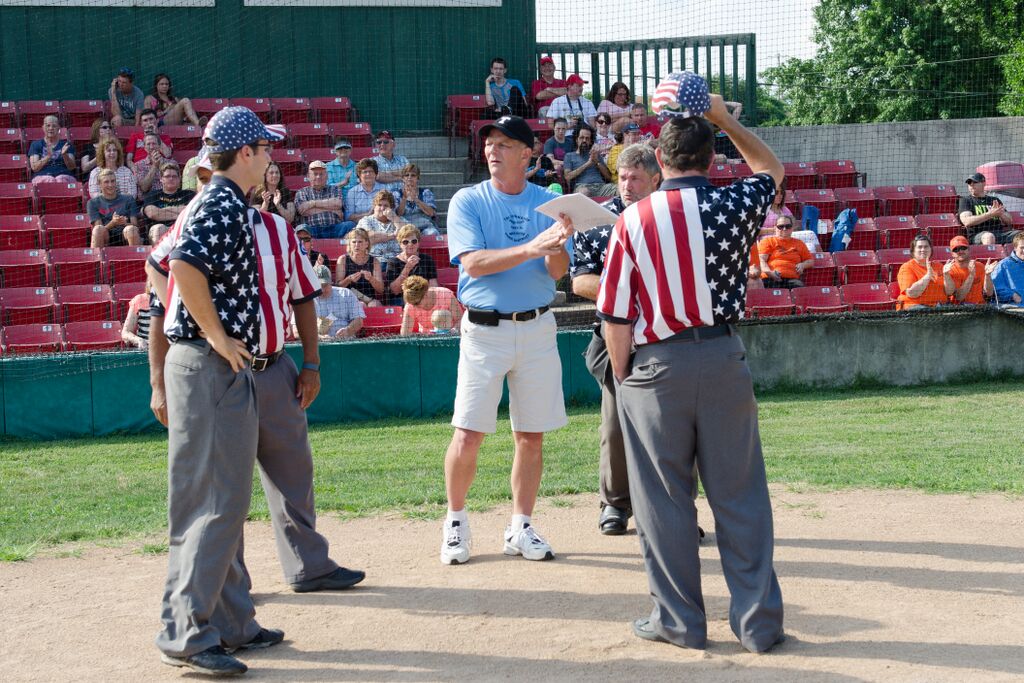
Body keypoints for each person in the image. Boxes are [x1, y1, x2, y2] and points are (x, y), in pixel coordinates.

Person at [597, 93, 785, 653]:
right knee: (741, 496)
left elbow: (616, 315)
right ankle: (758, 626)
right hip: (724, 357)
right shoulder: (735, 203)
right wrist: (725, 118)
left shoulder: (632, 218)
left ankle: (679, 622)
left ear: (660, 157)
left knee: (663, 501)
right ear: (710, 158)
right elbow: (770, 170)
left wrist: (629, 377)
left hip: (656, 367)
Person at [153, 106, 286, 677]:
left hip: (211, 367)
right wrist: (217, 336)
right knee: (212, 503)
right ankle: (186, 632)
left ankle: (233, 623)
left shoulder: (227, 200)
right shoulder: (222, 199)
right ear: (247, 152)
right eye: (265, 146)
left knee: (222, 502)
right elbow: (181, 267)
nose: (272, 155)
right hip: (208, 365)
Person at [440, 115, 573, 566]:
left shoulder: (549, 202)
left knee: (531, 437)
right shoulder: (468, 200)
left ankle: (521, 526)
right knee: (469, 433)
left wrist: (555, 249)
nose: (494, 150)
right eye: (490, 143)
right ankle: (456, 522)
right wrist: (535, 247)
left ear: (527, 154)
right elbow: (473, 264)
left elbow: (559, 274)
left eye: (505, 143)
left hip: (537, 327)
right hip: (484, 331)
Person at [570, 143, 660, 536]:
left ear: (656, 179)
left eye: (636, 177)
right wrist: (627, 291)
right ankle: (615, 505)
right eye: (622, 177)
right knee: (615, 426)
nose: (627, 184)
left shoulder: (671, 218)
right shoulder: (597, 221)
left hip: (664, 336)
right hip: (612, 337)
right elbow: (579, 281)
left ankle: (672, 510)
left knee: (669, 427)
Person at [295, 160, 352, 239]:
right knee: (302, 229)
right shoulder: (302, 191)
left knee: (350, 225)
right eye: (315, 174)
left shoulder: (334, 189)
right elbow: (302, 210)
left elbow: (338, 203)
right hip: (312, 230)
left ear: (327, 176)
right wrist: (333, 210)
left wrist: (312, 204)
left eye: (321, 174)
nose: (318, 177)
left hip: (334, 228)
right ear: (308, 176)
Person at [143, 163, 195, 245]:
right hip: (160, 230)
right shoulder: (153, 195)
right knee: (159, 229)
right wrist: (182, 214)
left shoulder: (189, 194)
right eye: (167, 176)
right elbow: (152, 213)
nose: (171, 179)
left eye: (174, 176)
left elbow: (193, 211)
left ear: (179, 179)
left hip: (183, 228)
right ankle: (159, 257)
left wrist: (163, 210)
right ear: (161, 179)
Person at [87, 168, 141, 248]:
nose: (110, 185)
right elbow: (99, 228)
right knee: (98, 229)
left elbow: (135, 225)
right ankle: (96, 259)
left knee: (132, 230)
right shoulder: (93, 203)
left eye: (113, 181)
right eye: (106, 182)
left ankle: (136, 259)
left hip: (125, 234)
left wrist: (124, 223)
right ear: (99, 184)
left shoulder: (128, 199)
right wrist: (113, 223)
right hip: (106, 235)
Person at [385, 224, 438, 303]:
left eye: (414, 241)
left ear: (418, 242)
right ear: (400, 244)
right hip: (401, 298)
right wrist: (408, 267)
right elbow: (394, 290)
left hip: (423, 297)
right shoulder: (393, 262)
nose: (410, 244)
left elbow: (433, 286)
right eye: (405, 242)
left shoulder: (427, 259)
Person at [358, 190, 413, 265]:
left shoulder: (399, 220)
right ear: (374, 206)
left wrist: (394, 218)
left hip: (398, 260)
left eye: (386, 206)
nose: (382, 208)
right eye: (379, 205)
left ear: (391, 208)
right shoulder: (366, 220)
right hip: (374, 260)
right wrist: (393, 235)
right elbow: (369, 236)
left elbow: (408, 235)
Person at [758, 216, 814, 288]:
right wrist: (769, 273)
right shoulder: (768, 241)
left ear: (792, 228)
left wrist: (803, 265)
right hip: (770, 278)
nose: (784, 229)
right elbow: (761, 260)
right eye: (781, 227)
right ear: (775, 228)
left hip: (792, 279)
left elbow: (810, 261)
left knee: (800, 291)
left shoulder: (799, 243)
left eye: (788, 226)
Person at [312, 264, 365, 338]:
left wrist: (348, 330)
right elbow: (296, 331)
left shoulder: (346, 293)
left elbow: (359, 320)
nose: (322, 290)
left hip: (345, 342)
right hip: (317, 345)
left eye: (325, 285)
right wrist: (319, 338)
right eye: (319, 286)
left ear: (331, 281)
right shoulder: (306, 299)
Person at [960, 172, 1015, 244]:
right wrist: (990, 214)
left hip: (999, 233)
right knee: (989, 237)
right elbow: (967, 221)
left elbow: (1009, 221)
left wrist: (1001, 214)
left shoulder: (994, 200)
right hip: (978, 235)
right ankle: (989, 255)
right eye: (969, 182)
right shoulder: (966, 200)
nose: (971, 185)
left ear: (984, 183)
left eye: (975, 182)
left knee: (1021, 236)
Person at [335, 227, 384, 307]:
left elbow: (381, 290)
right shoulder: (343, 259)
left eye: (360, 242)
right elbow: (337, 287)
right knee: (360, 305)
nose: (357, 245)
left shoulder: (374, 261)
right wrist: (349, 279)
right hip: (348, 298)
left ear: (366, 244)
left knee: (375, 304)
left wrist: (371, 279)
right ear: (350, 244)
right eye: (354, 242)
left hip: (369, 299)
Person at [562, 125, 615, 196]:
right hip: (582, 187)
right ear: (576, 139)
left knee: (618, 189)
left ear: (590, 141)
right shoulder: (569, 156)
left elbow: (608, 177)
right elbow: (567, 176)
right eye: (581, 138)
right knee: (584, 192)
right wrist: (587, 164)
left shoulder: (595, 154)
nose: (584, 140)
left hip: (601, 187)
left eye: (587, 138)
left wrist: (597, 162)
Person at [896, 235, 947, 309]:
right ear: (913, 251)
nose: (923, 250)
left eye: (926, 247)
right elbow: (912, 293)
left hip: (938, 306)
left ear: (931, 250)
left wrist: (947, 275)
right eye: (919, 247)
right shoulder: (906, 267)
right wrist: (927, 276)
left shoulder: (938, 266)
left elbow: (949, 292)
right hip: (914, 306)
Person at [943, 235, 995, 305]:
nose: (960, 251)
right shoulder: (950, 269)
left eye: (963, 248)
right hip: (959, 309)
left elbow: (989, 293)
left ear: (969, 249)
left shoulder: (980, 266)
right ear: (952, 253)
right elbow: (959, 297)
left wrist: (988, 276)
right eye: (956, 249)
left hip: (980, 306)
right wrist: (971, 276)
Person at [28, 115, 76, 185]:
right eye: (48, 125)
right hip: (42, 176)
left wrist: (65, 155)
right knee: (49, 180)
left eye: (54, 126)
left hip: (64, 176)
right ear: (43, 128)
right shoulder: (35, 144)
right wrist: (48, 156)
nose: (51, 128)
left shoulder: (67, 145)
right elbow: (34, 168)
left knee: (60, 179)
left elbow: (71, 167)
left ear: (58, 128)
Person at [396, 164, 439, 235]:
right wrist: (404, 198)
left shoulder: (426, 192)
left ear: (417, 178)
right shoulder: (396, 193)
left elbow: (431, 213)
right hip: (405, 228)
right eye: (407, 175)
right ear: (403, 178)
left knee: (433, 233)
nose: (409, 177)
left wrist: (416, 199)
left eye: (413, 175)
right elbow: (398, 214)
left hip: (425, 227)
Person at [345, 158, 386, 224]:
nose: (368, 174)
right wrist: (368, 214)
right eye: (365, 172)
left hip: (381, 223)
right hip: (359, 226)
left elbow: (391, 212)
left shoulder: (384, 190)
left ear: (376, 174)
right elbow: (348, 216)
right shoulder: (352, 192)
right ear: (359, 175)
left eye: (371, 171)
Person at [990, 232, 1024, 306]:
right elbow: (995, 288)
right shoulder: (1003, 265)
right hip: (1013, 307)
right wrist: (1012, 295)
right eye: (1022, 247)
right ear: (1015, 248)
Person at [371, 131, 409, 195]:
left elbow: (409, 175)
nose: (382, 144)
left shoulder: (403, 160)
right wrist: (400, 177)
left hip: (402, 197)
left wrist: (385, 174)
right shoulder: (372, 161)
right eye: (379, 142)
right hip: (381, 200)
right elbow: (377, 176)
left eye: (386, 142)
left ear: (393, 144)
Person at [122, 284, 152, 349]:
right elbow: (125, 332)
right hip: (145, 348)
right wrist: (139, 340)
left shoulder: (172, 299)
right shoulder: (139, 299)